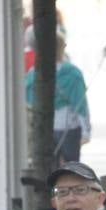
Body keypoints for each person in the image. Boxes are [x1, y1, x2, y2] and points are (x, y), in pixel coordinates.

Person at [26, 36, 90, 164]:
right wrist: (86, 131)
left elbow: (28, 100)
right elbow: (80, 105)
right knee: (71, 169)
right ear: (62, 49)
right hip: (69, 127)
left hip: (43, 126)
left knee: (48, 168)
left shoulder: (33, 74)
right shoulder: (73, 73)